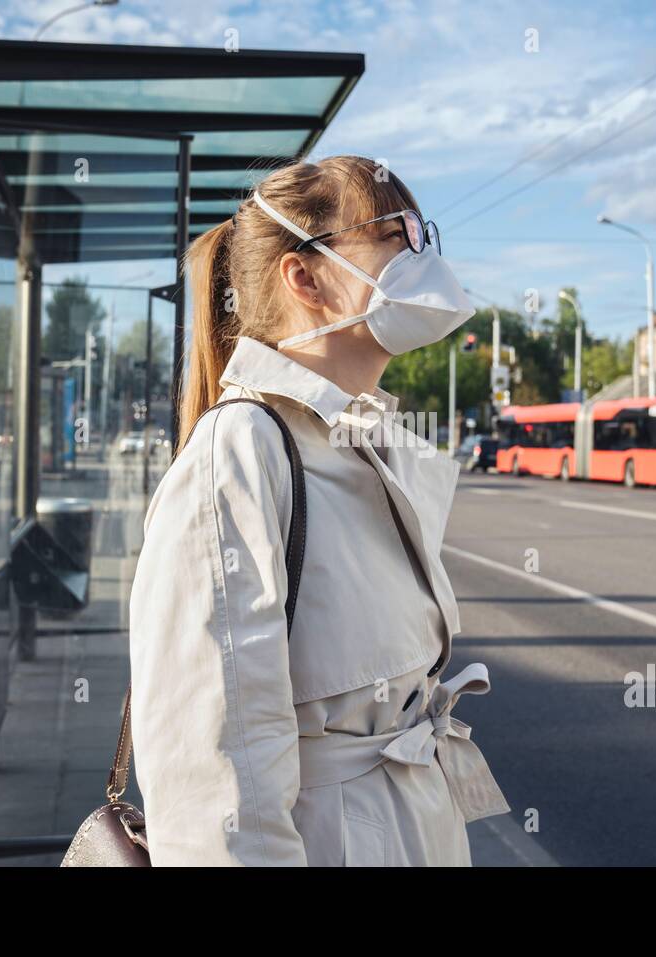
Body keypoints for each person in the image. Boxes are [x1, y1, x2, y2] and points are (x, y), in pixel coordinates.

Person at [128, 155, 510, 866]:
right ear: (304, 277)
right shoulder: (239, 452)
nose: (423, 254)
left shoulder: (355, 439)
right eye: (395, 233)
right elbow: (213, 784)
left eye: (424, 233)